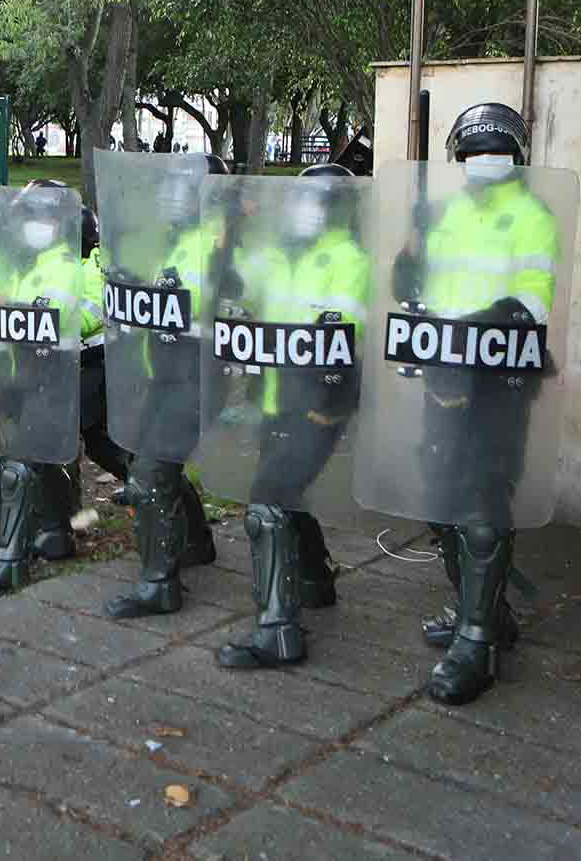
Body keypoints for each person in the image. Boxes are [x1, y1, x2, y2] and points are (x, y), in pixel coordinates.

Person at [391, 103, 559, 705]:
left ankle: (478, 641)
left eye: (494, 155)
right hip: (446, 379)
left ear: (516, 160)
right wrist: (411, 247)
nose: (482, 165)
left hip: (499, 384)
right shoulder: (446, 214)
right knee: (442, 504)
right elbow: (408, 289)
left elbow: (531, 303)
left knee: (483, 508)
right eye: (471, 155)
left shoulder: (531, 218)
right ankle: (483, 611)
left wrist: (467, 330)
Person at [214, 164, 365, 669]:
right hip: (277, 397)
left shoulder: (348, 260)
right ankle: (316, 580)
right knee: (286, 490)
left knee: (266, 500)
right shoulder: (278, 258)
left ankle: (278, 630)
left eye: (315, 202)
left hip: (322, 400)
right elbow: (242, 289)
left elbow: (347, 326)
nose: (303, 210)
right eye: (298, 200)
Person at [0, 180, 102, 597]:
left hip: (56, 378)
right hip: (37, 377)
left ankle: (10, 561)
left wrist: (9, 309)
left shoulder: (62, 266)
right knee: (45, 459)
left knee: (18, 466)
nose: (28, 227)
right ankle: (57, 531)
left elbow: (54, 317)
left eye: (36, 219)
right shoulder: (37, 264)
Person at [100, 155, 224, 620]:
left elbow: (227, 300)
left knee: (151, 476)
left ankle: (159, 584)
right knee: (151, 463)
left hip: (193, 377)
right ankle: (195, 543)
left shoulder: (219, 244)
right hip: (165, 373)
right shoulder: (177, 241)